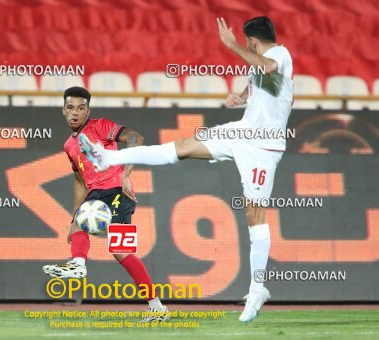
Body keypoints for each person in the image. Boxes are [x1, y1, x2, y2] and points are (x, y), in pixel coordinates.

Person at [79, 17, 293, 323]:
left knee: (253, 213)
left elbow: (269, 69)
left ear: (253, 42)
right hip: (241, 133)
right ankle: (106, 159)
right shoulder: (261, 63)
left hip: (264, 148)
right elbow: (263, 84)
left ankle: (258, 288)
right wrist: (242, 98)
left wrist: (230, 45)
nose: (245, 47)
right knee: (181, 148)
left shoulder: (280, 55)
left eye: (247, 43)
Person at [43, 86, 169, 322]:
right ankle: (158, 308)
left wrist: (125, 175)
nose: (75, 113)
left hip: (116, 190)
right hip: (96, 193)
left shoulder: (100, 126)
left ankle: (79, 264)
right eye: (70, 108)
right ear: (63, 111)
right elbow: (80, 180)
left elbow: (135, 138)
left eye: (81, 108)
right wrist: (73, 219)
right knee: (118, 250)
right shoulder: (69, 146)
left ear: (88, 110)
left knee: (117, 248)